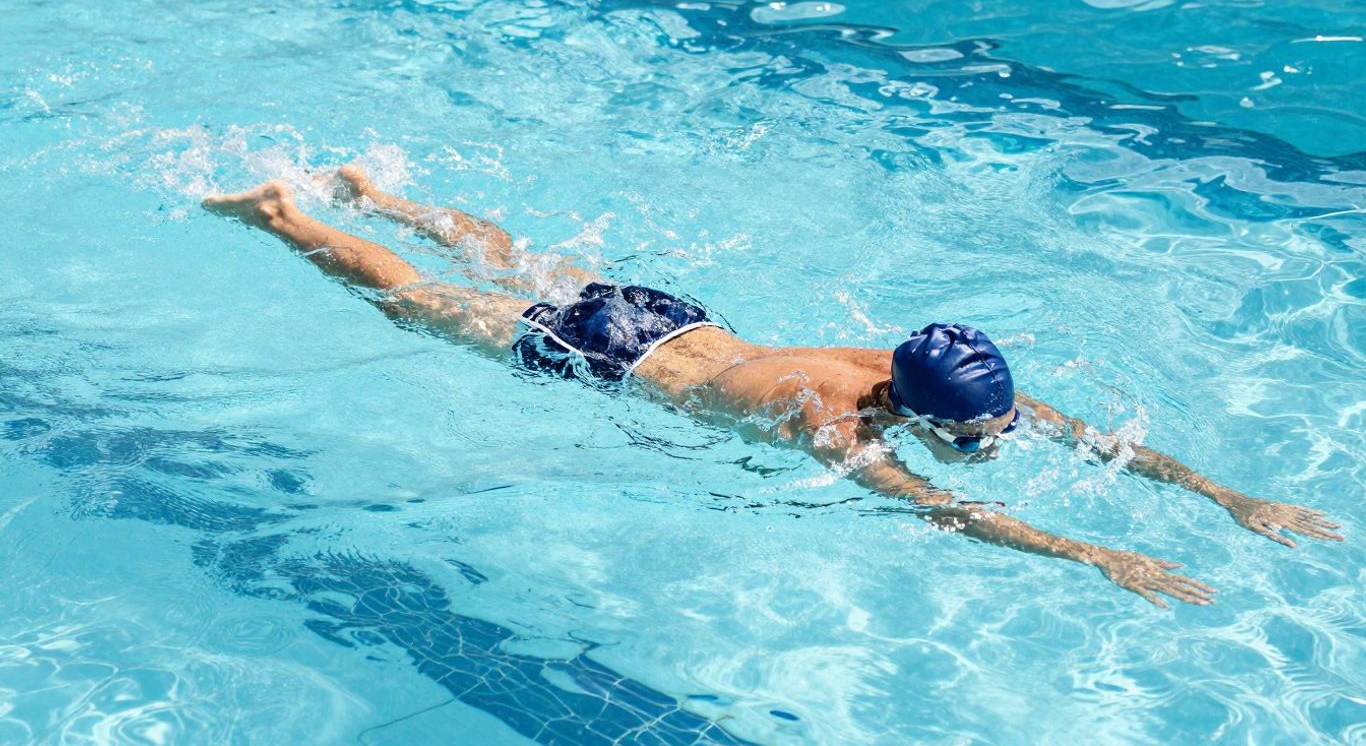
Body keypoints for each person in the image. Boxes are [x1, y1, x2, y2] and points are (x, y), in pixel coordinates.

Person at [204, 167, 1343, 608]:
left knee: (516, 261)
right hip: (627, 352)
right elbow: (942, 510)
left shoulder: (893, 365)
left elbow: (1099, 438)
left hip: (678, 315)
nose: (995, 442)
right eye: (979, 433)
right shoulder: (827, 414)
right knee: (415, 303)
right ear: (913, 413)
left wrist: (1228, 500)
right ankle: (286, 214)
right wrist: (1092, 555)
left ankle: (379, 189)